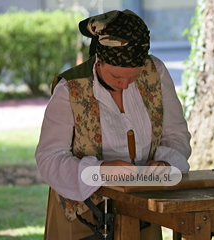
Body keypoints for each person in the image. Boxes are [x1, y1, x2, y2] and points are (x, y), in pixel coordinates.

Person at [35, 9, 192, 240]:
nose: (125, 85)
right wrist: (99, 172)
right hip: (82, 215)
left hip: (141, 211)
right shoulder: (70, 88)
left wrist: (166, 163)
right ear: (100, 59)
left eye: (133, 76)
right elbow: (49, 158)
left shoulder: (155, 73)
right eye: (117, 77)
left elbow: (176, 135)